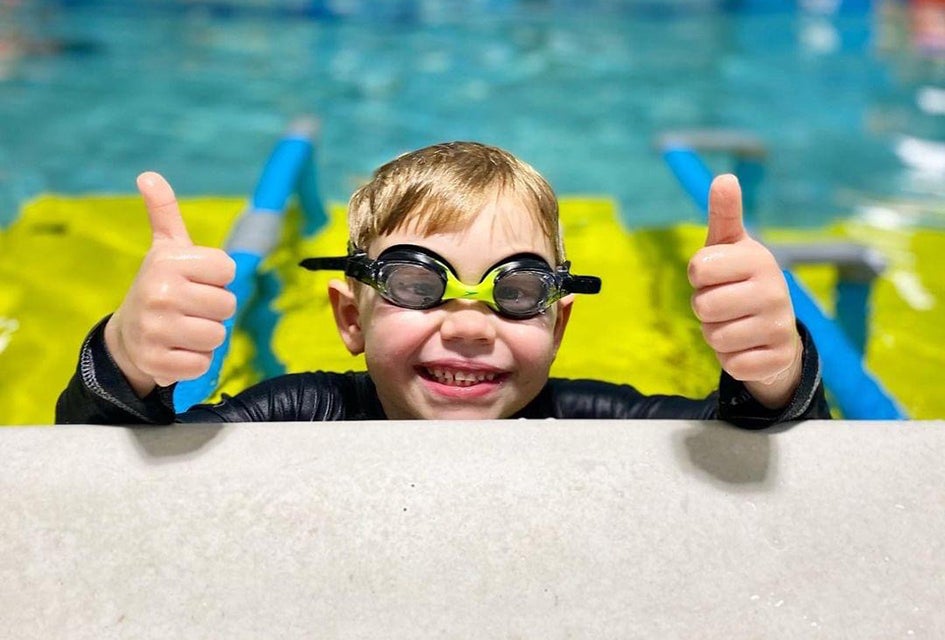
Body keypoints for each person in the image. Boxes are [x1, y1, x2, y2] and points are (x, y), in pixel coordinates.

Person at [56, 141, 830, 426]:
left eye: (518, 291)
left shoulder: (592, 421)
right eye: (413, 282)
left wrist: (772, 374)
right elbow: (122, 463)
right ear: (349, 318)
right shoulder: (306, 415)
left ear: (557, 326)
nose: (467, 325)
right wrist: (125, 361)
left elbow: (748, 445)